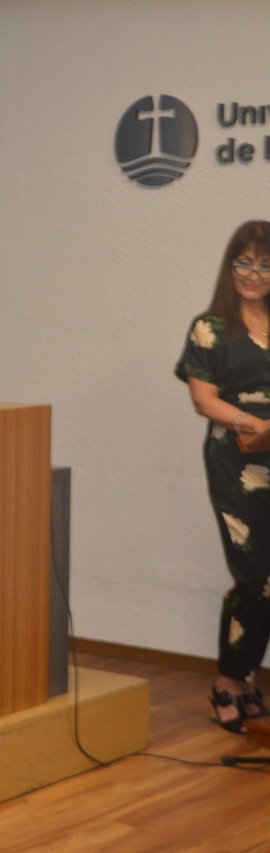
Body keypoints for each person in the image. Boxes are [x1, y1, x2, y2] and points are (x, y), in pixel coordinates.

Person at [176, 220, 270, 734]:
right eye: (245, 263)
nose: (254, 274)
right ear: (230, 266)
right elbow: (203, 400)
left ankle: (246, 680)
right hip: (237, 460)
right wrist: (251, 423)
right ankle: (228, 682)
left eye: (265, 266)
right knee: (253, 574)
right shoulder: (210, 327)